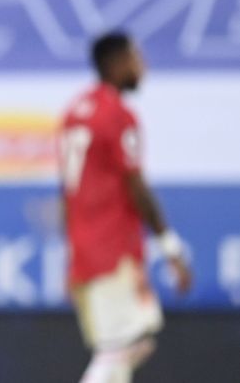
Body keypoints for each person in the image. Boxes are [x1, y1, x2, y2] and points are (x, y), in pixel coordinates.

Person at [58, 32, 192, 383]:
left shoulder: (75, 111)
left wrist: (70, 253)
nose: (142, 67)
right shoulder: (116, 114)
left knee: (129, 344)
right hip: (112, 249)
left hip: (86, 249)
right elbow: (137, 187)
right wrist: (171, 247)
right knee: (122, 347)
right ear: (116, 64)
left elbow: (69, 191)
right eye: (136, 59)